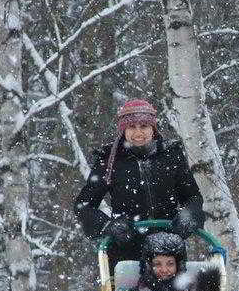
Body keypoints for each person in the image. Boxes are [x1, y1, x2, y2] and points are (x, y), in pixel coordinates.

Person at [73, 98, 205, 270]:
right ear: (123, 130)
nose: (138, 133)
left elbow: (192, 197)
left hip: (168, 250)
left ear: (153, 129)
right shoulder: (109, 160)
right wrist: (108, 225)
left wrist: (190, 214)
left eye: (144, 126)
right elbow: (84, 205)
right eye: (132, 127)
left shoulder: (171, 155)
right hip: (126, 249)